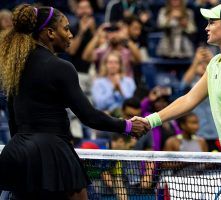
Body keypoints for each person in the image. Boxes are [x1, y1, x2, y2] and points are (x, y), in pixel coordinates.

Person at [0, 4, 148, 200]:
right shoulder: (62, 67)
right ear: (50, 33)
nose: (70, 34)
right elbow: (89, 116)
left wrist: (23, 150)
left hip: (18, 152)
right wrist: (127, 126)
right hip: (53, 151)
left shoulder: (15, 66)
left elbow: (13, 120)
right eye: (66, 28)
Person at [133, 1, 221, 199]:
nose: (206, 27)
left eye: (211, 22)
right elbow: (189, 99)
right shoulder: (215, 63)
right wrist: (150, 121)